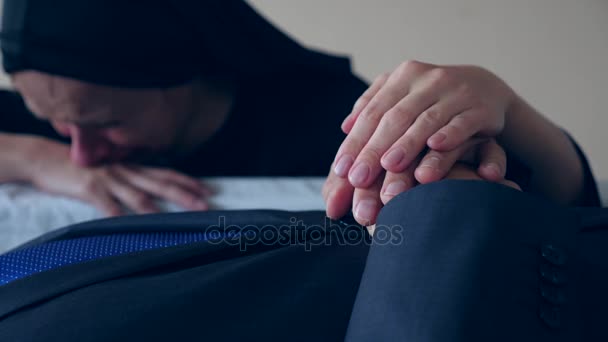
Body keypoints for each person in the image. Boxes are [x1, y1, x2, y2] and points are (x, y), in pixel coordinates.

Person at [0, 0, 606, 340]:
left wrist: (513, 112)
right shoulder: (54, 117)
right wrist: (32, 155)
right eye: (52, 124)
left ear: (184, 79)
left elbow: (557, 225)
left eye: (104, 123)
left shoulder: (336, 120)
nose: (81, 150)